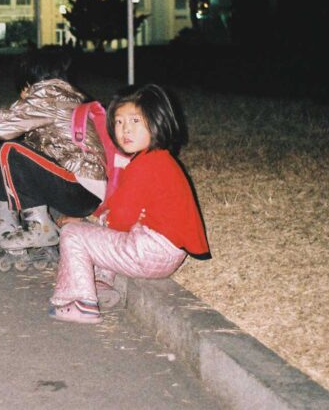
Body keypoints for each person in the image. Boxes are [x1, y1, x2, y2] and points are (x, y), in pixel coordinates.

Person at [48, 84, 209, 324]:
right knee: (106, 230)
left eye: (135, 121)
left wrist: (89, 223)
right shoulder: (159, 159)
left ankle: (83, 303)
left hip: (150, 252)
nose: (125, 130)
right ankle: (100, 285)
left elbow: (120, 217)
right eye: (119, 122)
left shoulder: (144, 165)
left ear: (157, 122)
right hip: (168, 253)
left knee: (73, 235)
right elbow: (120, 205)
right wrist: (97, 220)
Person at [0, 49, 118, 263]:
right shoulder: (68, 96)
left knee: (11, 149)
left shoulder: (49, 96)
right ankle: (4, 219)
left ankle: (40, 227)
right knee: (13, 149)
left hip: (79, 190)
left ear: (29, 80)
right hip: (82, 190)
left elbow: (1, 124)